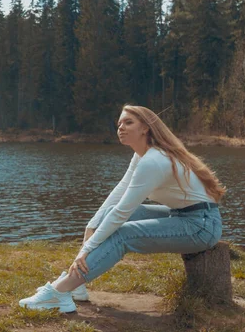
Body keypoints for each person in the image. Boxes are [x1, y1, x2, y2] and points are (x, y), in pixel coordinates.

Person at [19, 105, 225, 313]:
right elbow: (119, 193)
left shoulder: (154, 161)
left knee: (124, 234)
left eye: (128, 123)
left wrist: (87, 248)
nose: (121, 128)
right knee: (107, 217)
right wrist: (91, 225)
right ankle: (76, 285)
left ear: (145, 128)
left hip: (201, 226)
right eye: (119, 124)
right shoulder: (142, 156)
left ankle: (58, 292)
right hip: (183, 215)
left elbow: (122, 212)